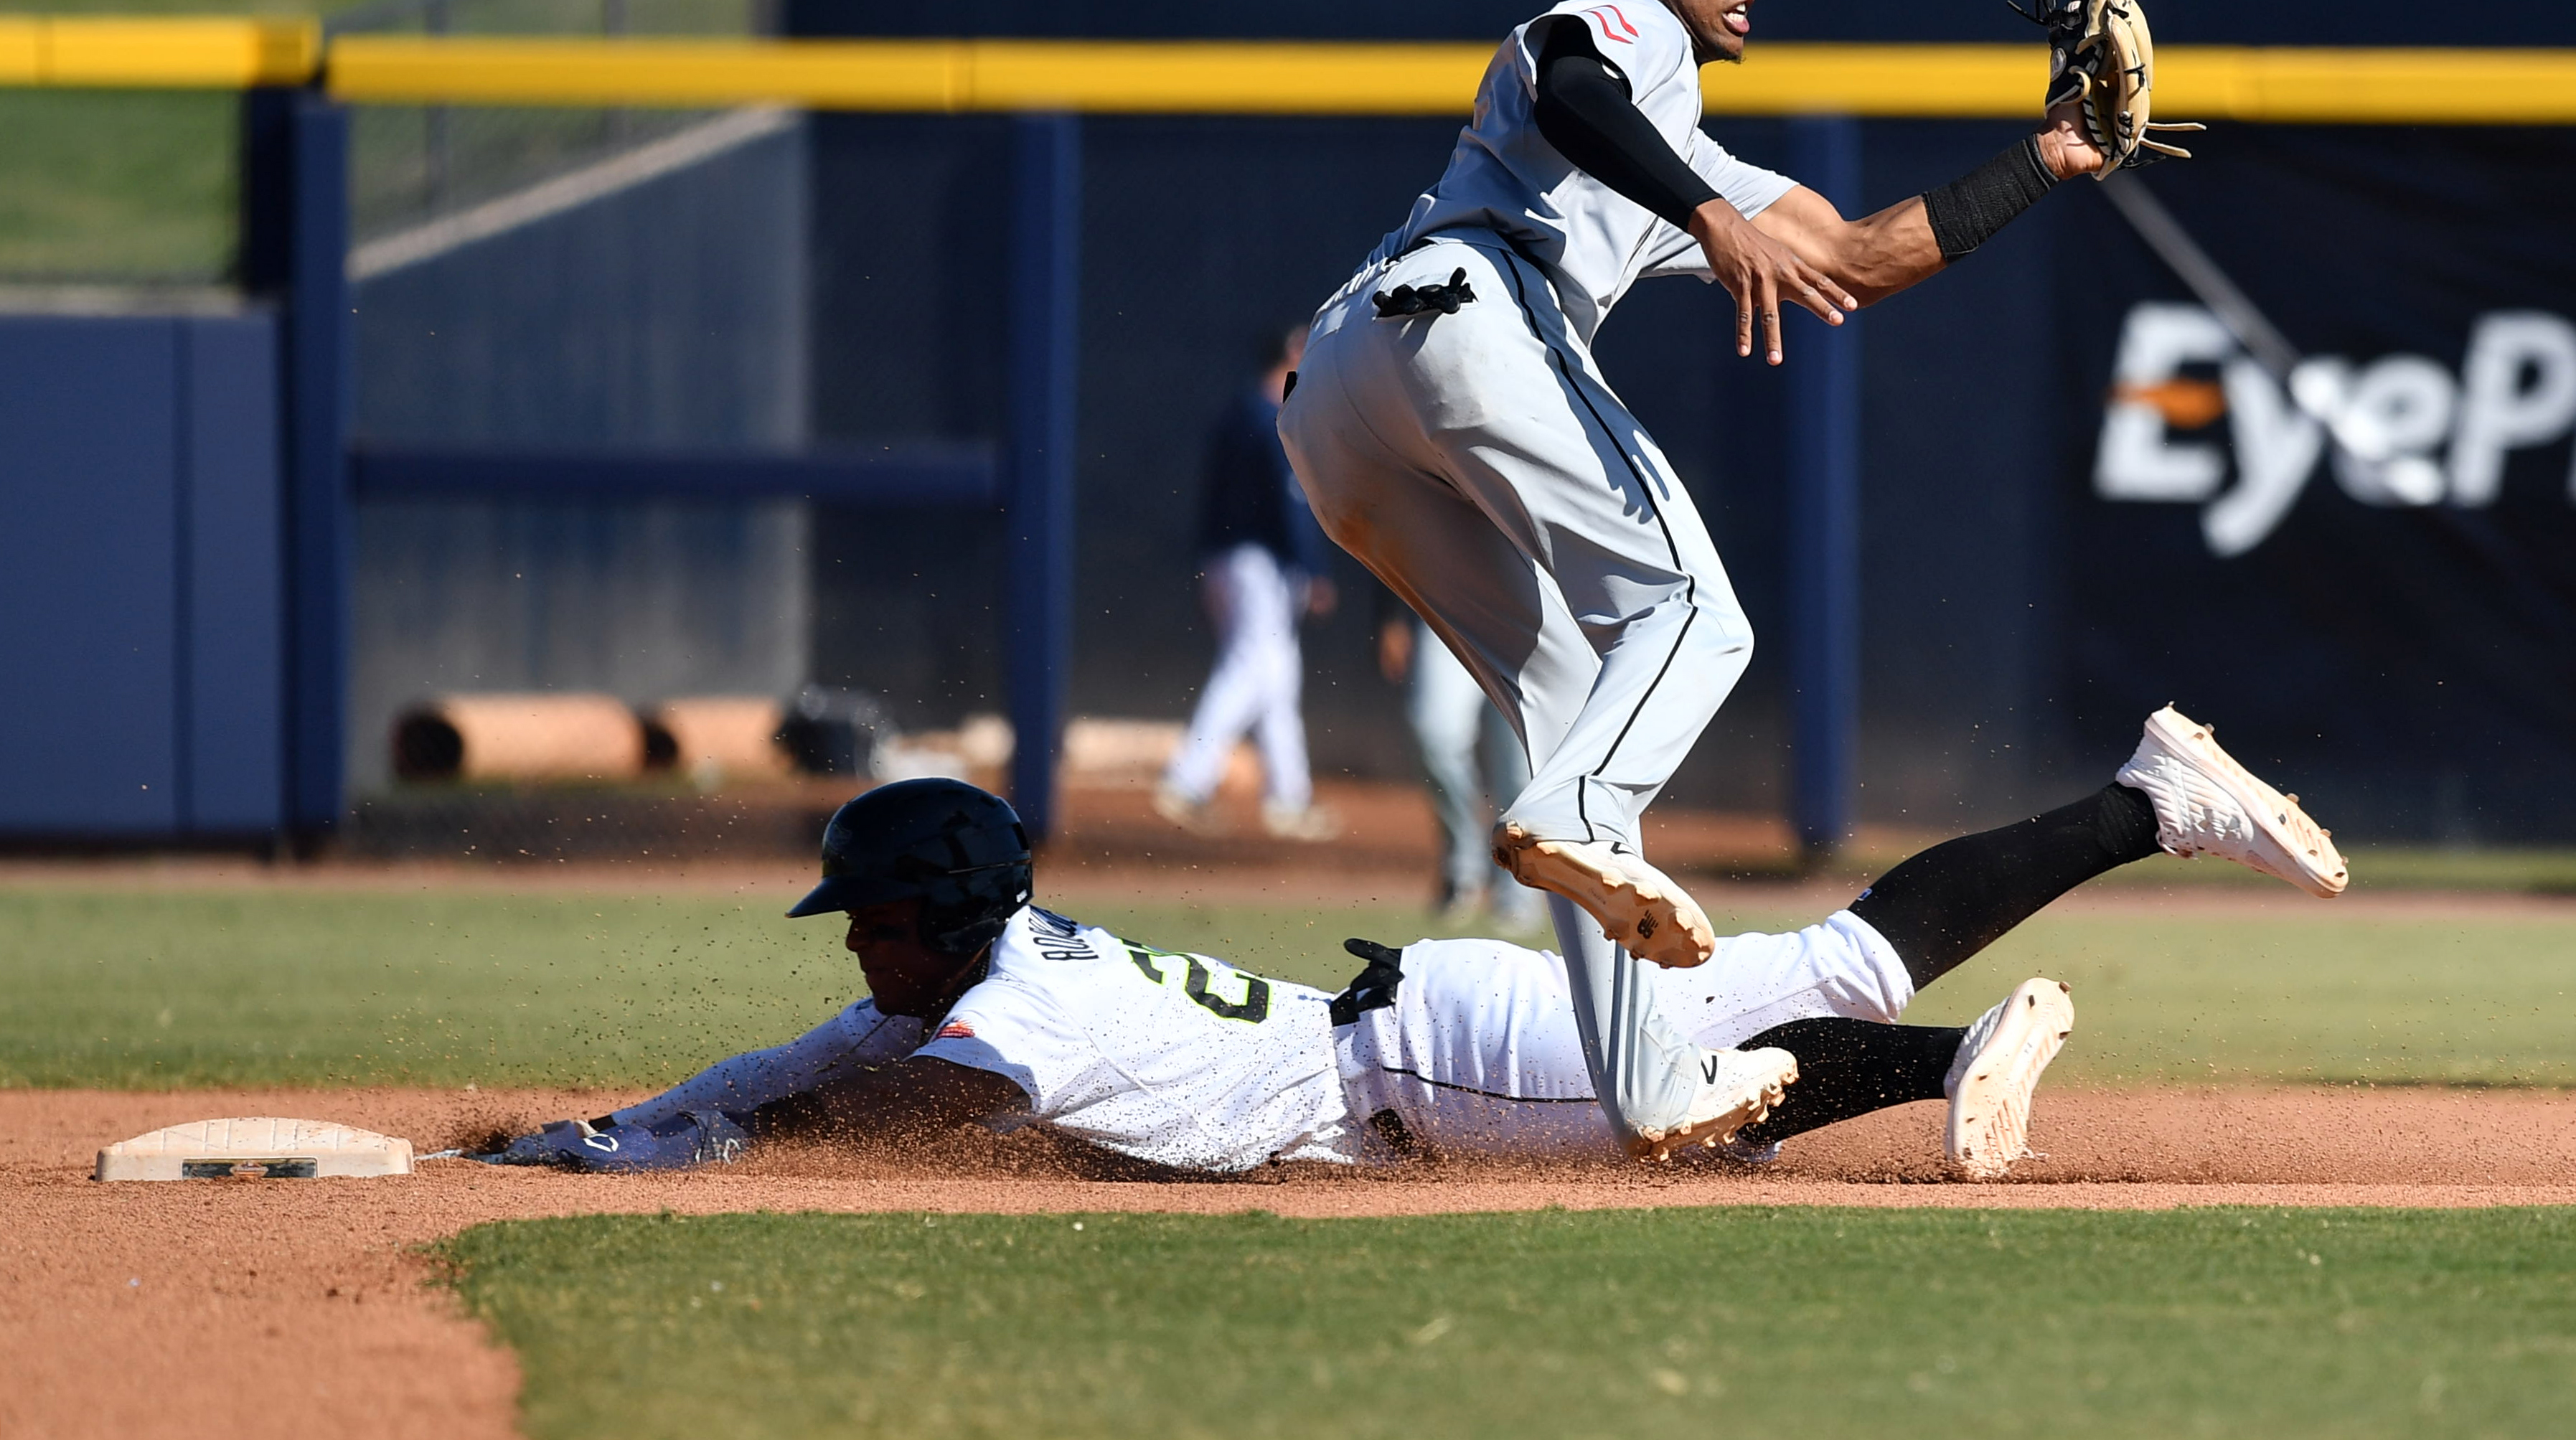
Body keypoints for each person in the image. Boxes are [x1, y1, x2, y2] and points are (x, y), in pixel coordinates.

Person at [1275, 0, 2133, 1152]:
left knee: (1569, 702)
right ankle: (1564, 817)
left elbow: (1852, 255)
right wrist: (1698, 205)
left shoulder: (1682, 148)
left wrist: (2047, 158)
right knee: (1693, 614)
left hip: (1340, 399)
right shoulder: (1628, 31)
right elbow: (1572, 87)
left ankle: (1646, 1089)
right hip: (1461, 313)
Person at [489, 705, 2345, 1177]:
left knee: (1777, 1022)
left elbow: (882, 1103)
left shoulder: (999, 1022)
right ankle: (1976, 1028)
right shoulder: (991, 972)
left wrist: (741, 1150)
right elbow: (813, 1070)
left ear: (926, 917)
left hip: (1418, 1067)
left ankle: (2141, 801)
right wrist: (634, 1129)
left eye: (862, 924)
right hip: (1425, 1039)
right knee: (1724, 1079)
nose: (850, 956)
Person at [1155, 323, 1340, 842]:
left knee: (1277, 680)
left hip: (1225, 559)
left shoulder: (1235, 415)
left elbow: (1209, 500)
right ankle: (1186, 779)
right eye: (1305, 347)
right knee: (1249, 670)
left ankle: (1289, 797)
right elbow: (1291, 505)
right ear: (1289, 354)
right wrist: (1316, 569)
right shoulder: (1275, 417)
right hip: (1262, 565)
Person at [1378, 605, 1545, 932]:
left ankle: (1518, 881)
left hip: (1528, 621)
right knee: (1434, 733)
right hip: (1446, 610)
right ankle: (1463, 866)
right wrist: (1390, 616)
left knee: (1519, 764)